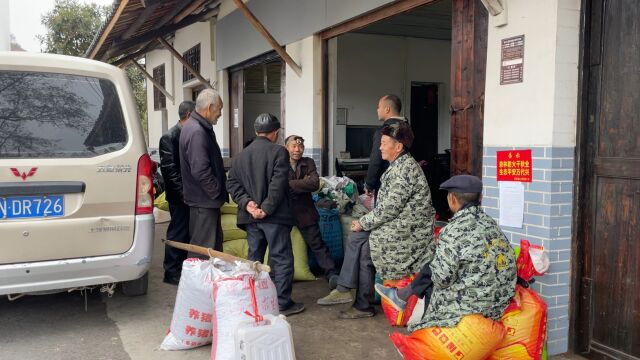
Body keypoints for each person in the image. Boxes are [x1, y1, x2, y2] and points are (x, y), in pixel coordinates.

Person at [317, 122, 435, 319]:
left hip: (410, 232)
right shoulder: (398, 166)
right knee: (361, 241)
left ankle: (354, 296)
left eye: (384, 143)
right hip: (399, 224)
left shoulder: (404, 169)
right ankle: (357, 298)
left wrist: (363, 222)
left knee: (362, 241)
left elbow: (390, 208)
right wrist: (364, 222)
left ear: (398, 147)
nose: (380, 147)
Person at [375, 175, 517, 331]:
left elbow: (442, 280)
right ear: (481, 197)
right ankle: (402, 296)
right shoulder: (491, 224)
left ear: (452, 199)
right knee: (433, 269)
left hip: (472, 307)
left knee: (431, 280)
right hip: (499, 303)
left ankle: (423, 325)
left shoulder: (453, 230)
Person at [227, 114, 305, 316]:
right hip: (275, 218)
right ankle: (281, 303)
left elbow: (232, 184)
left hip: (251, 218)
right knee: (280, 259)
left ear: (256, 132)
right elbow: (278, 184)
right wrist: (266, 209)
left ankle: (255, 300)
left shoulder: (240, 156)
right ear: (276, 133)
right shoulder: (279, 152)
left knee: (254, 259)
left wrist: (248, 204)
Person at [285, 135, 339, 288]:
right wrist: (302, 184)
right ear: (286, 148)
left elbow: (314, 183)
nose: (297, 150)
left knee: (317, 244)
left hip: (305, 210)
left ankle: (331, 273)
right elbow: (278, 184)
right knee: (282, 246)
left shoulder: (308, 162)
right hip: (285, 211)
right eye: (293, 146)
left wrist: (290, 185)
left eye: (300, 146)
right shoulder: (280, 163)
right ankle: (279, 277)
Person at [179, 89, 227, 257]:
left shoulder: (195, 127)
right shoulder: (197, 131)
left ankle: (206, 283)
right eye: (219, 108)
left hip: (203, 201)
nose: (220, 113)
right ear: (210, 107)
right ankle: (200, 284)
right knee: (204, 252)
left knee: (209, 250)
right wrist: (216, 193)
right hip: (204, 202)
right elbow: (200, 170)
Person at [159, 101, 195, 284]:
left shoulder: (187, 134)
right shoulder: (170, 136)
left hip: (189, 195)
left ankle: (182, 269)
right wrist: (183, 195)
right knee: (178, 231)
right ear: (189, 115)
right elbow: (170, 171)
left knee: (187, 232)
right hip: (180, 197)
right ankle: (171, 272)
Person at [364, 94, 408, 198]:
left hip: (386, 184)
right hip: (405, 181)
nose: (377, 110)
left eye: (379, 107)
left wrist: (369, 184)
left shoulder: (384, 131)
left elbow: (376, 159)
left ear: (387, 109)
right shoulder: (407, 128)